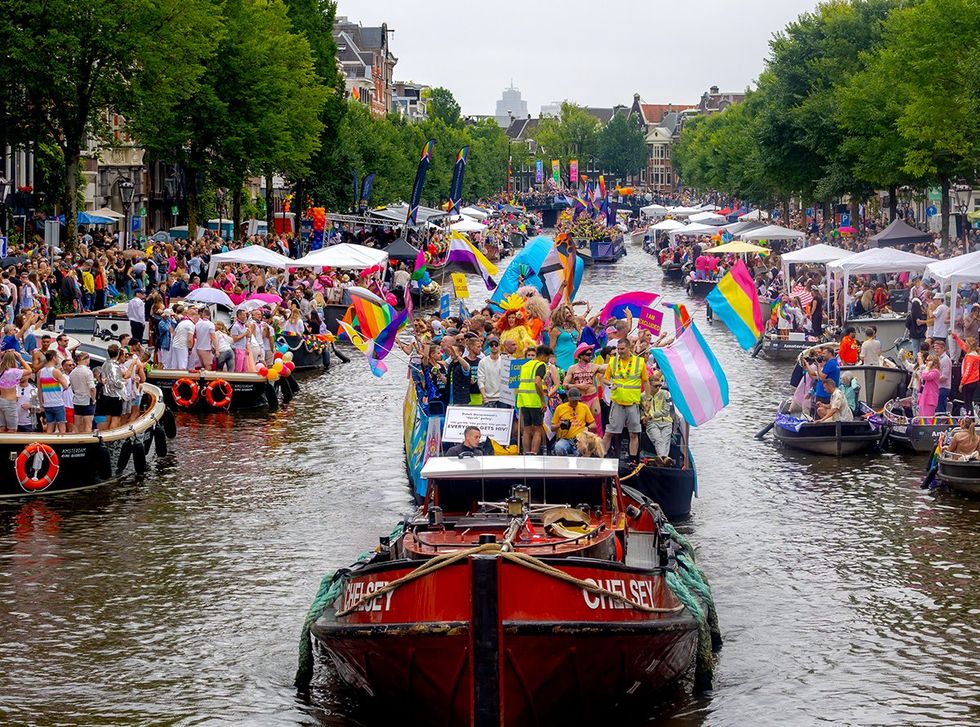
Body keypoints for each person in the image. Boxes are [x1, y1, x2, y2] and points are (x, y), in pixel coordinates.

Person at [602, 337, 649, 462]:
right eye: (618, 349)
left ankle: (633, 460)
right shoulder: (613, 362)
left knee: (633, 433)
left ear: (629, 348)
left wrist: (648, 399)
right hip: (617, 403)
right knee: (609, 432)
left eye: (622, 349)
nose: (620, 351)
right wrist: (610, 383)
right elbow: (605, 379)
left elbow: (646, 381)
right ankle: (602, 456)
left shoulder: (640, 362)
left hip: (632, 403)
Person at [564, 343, 606, 437]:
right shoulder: (572, 368)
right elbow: (565, 385)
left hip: (593, 397)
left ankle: (598, 444)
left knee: (597, 421)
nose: (590, 356)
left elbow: (606, 368)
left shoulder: (594, 366)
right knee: (580, 422)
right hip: (580, 399)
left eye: (591, 354)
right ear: (581, 355)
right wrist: (578, 386)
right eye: (587, 354)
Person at [516, 345, 551, 455]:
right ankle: (534, 453)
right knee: (537, 429)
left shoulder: (525, 365)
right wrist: (543, 401)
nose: (548, 360)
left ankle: (526, 453)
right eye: (547, 357)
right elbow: (537, 382)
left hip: (523, 400)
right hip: (535, 401)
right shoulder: (541, 365)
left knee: (526, 430)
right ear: (543, 356)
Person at [551, 387, 596, 456]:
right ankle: (563, 464)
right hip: (565, 439)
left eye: (576, 400)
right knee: (559, 447)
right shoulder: (560, 408)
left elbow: (594, 424)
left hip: (580, 440)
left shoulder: (584, 407)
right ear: (568, 398)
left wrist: (587, 428)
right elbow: (552, 428)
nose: (575, 402)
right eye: (573, 400)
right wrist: (560, 424)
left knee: (584, 451)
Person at [640, 371, 674, 463]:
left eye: (660, 385)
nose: (659, 388)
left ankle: (662, 459)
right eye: (656, 386)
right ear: (649, 386)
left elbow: (666, 411)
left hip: (666, 422)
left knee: (666, 440)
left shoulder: (665, 394)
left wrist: (651, 415)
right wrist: (643, 418)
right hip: (652, 423)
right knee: (658, 440)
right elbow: (641, 412)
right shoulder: (642, 396)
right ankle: (665, 459)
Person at [37, 350, 69, 433]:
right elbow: (66, 386)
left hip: (47, 404)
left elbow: (39, 390)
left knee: (50, 426)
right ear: (54, 358)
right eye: (57, 357)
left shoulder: (40, 372)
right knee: (62, 426)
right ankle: (62, 444)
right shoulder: (56, 371)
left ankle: (48, 444)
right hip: (57, 403)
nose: (58, 359)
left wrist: (41, 404)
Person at [99, 342, 128, 430]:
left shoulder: (104, 364)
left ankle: (104, 438)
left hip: (106, 394)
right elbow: (116, 382)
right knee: (115, 418)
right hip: (115, 395)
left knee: (107, 418)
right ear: (118, 353)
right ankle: (111, 439)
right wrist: (124, 383)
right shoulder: (115, 366)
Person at [0, 350, 30, 432]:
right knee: (12, 429)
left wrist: (3, 354)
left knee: (2, 428)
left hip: (1, 400)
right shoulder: (14, 372)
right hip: (10, 402)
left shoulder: (1, 371)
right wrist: (21, 358)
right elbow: (29, 370)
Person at [951, 333, 980, 414]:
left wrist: (962, 383)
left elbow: (967, 371)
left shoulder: (970, 357)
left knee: (967, 402)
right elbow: (962, 346)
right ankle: (971, 417)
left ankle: (969, 417)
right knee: (969, 401)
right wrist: (957, 338)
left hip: (968, 382)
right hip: (974, 381)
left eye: (966, 343)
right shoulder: (975, 354)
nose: (965, 345)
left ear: (969, 345)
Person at [70, 351, 97, 433]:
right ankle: (86, 441)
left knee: (77, 423)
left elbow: (72, 387)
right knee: (88, 424)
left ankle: (76, 440)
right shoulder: (88, 372)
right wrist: (94, 399)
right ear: (86, 360)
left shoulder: (72, 372)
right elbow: (92, 388)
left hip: (77, 399)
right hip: (87, 399)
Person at [477, 335, 506, 407]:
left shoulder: (505, 361)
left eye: (496, 345)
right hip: (488, 399)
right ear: (489, 347)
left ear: (499, 346)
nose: (494, 347)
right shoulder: (483, 362)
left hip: (503, 399)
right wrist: (484, 397)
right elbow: (480, 381)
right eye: (491, 345)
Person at [933, 338, 952, 413]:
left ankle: (941, 423)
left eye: (937, 348)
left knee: (940, 408)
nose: (936, 350)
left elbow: (945, 376)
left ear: (943, 348)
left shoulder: (945, 360)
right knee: (939, 407)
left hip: (944, 387)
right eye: (935, 348)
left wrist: (933, 380)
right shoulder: (939, 358)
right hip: (939, 387)